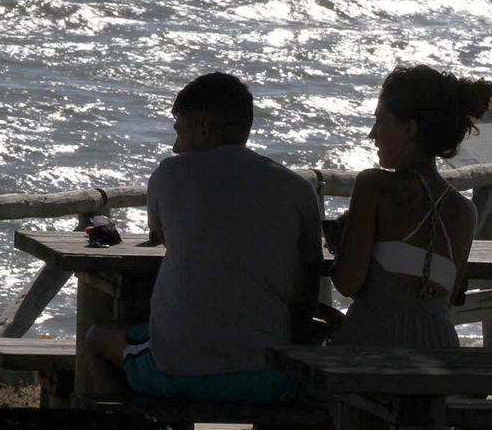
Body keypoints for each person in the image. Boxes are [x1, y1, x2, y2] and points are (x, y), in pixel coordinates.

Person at [88, 72, 324, 403]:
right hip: (266, 375)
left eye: (179, 129)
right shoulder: (298, 189)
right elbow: (309, 273)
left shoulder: (171, 173)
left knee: (98, 337)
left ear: (203, 129)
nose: (175, 145)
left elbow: (163, 237)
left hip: (176, 369)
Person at [329, 65, 492, 348]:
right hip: (440, 358)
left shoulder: (373, 186)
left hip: (375, 351)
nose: (372, 134)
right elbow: (445, 298)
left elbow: (347, 283)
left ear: (409, 128)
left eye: (380, 121)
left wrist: (343, 243)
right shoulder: (465, 212)